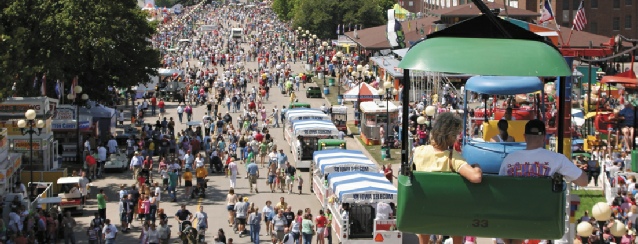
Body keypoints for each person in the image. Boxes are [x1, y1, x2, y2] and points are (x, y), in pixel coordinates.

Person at [498, 119, 588, 244]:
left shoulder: (510, 159)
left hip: (514, 217)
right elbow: (583, 181)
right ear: (544, 137)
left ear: (525, 137)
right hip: (543, 217)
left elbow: (500, 187)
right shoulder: (556, 159)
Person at [412, 112, 482, 244]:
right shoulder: (452, 157)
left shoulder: (419, 151)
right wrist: (477, 166)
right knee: (459, 211)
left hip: (424, 212)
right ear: (451, 137)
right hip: (448, 214)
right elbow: (476, 177)